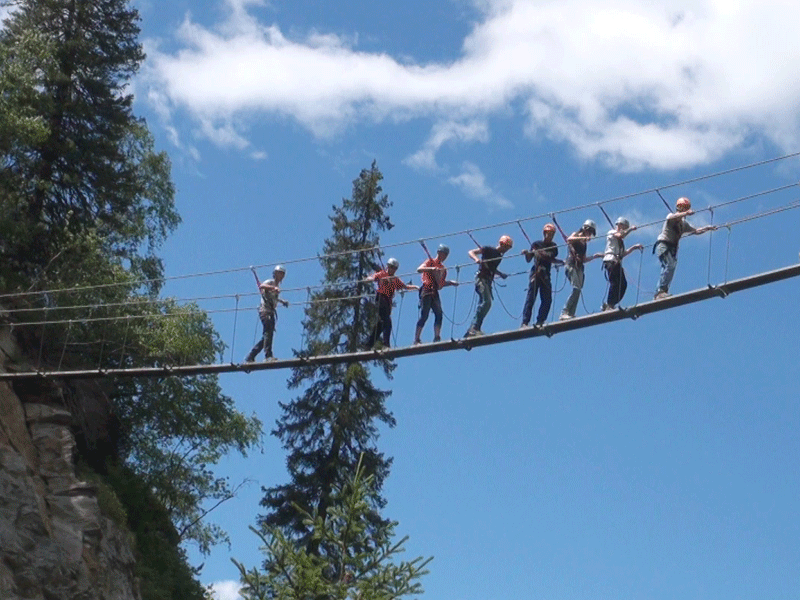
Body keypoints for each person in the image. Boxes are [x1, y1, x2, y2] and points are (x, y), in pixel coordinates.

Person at [653, 197, 715, 299]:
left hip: (672, 248)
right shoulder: (671, 217)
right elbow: (672, 217)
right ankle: (660, 291)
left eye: (685, 208)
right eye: (682, 207)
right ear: (678, 207)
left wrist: (708, 228)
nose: (684, 210)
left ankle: (661, 291)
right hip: (663, 245)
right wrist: (686, 214)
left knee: (668, 268)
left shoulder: (683, 224)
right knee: (670, 265)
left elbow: (696, 231)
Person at [464, 235, 513, 337]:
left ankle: (475, 329)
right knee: (487, 302)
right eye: (506, 247)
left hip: (488, 281)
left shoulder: (499, 257)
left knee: (485, 304)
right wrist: (476, 259)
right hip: (481, 279)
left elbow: (492, 268)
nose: (506, 250)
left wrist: (501, 274)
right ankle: (474, 327)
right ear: (502, 244)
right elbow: (471, 252)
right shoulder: (488, 249)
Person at [367, 258, 418, 349]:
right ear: (388, 266)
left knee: (381, 324)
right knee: (387, 322)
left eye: (394, 268)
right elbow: (373, 277)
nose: (392, 270)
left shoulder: (395, 279)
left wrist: (416, 287)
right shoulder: (382, 274)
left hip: (388, 302)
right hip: (381, 298)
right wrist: (368, 279)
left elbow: (404, 286)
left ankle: (368, 344)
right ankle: (386, 344)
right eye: (391, 267)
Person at [414, 244, 459, 344]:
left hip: (434, 291)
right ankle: (417, 339)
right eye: (444, 254)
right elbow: (419, 269)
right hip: (426, 289)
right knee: (424, 315)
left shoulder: (443, 269)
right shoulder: (430, 262)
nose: (445, 257)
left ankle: (437, 337)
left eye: (446, 255)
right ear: (439, 253)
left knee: (439, 314)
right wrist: (432, 269)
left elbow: (440, 285)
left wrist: (450, 283)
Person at [559, 219, 602, 320]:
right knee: (576, 288)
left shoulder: (584, 243)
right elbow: (569, 239)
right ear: (585, 229)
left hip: (579, 266)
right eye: (589, 232)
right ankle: (564, 311)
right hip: (571, 264)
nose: (590, 235)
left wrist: (595, 256)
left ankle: (571, 313)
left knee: (578, 289)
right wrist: (583, 237)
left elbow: (584, 259)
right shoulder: (577, 235)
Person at [521, 224, 563, 327]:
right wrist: (527, 253)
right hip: (535, 273)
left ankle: (540, 320)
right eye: (549, 233)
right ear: (544, 233)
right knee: (531, 298)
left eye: (552, 234)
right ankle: (525, 322)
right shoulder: (536, 244)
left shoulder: (553, 246)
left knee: (547, 299)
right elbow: (529, 259)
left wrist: (538, 252)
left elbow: (549, 257)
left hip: (545, 274)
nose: (550, 235)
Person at [245, 265, 289, 362]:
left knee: (267, 336)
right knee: (268, 334)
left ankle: (251, 356)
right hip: (265, 311)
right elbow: (262, 286)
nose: (281, 275)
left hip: (271, 312)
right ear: (275, 274)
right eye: (279, 273)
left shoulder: (277, 287)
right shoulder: (271, 282)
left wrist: (282, 302)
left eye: (282, 274)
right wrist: (273, 288)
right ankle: (268, 356)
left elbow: (274, 298)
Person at [602, 217, 644, 310]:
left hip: (616, 262)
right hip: (611, 261)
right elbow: (620, 235)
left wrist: (634, 247)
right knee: (614, 282)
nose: (624, 229)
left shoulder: (620, 242)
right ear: (620, 225)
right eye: (624, 227)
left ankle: (612, 304)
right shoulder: (612, 232)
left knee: (623, 284)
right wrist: (630, 229)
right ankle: (609, 304)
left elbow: (623, 254)